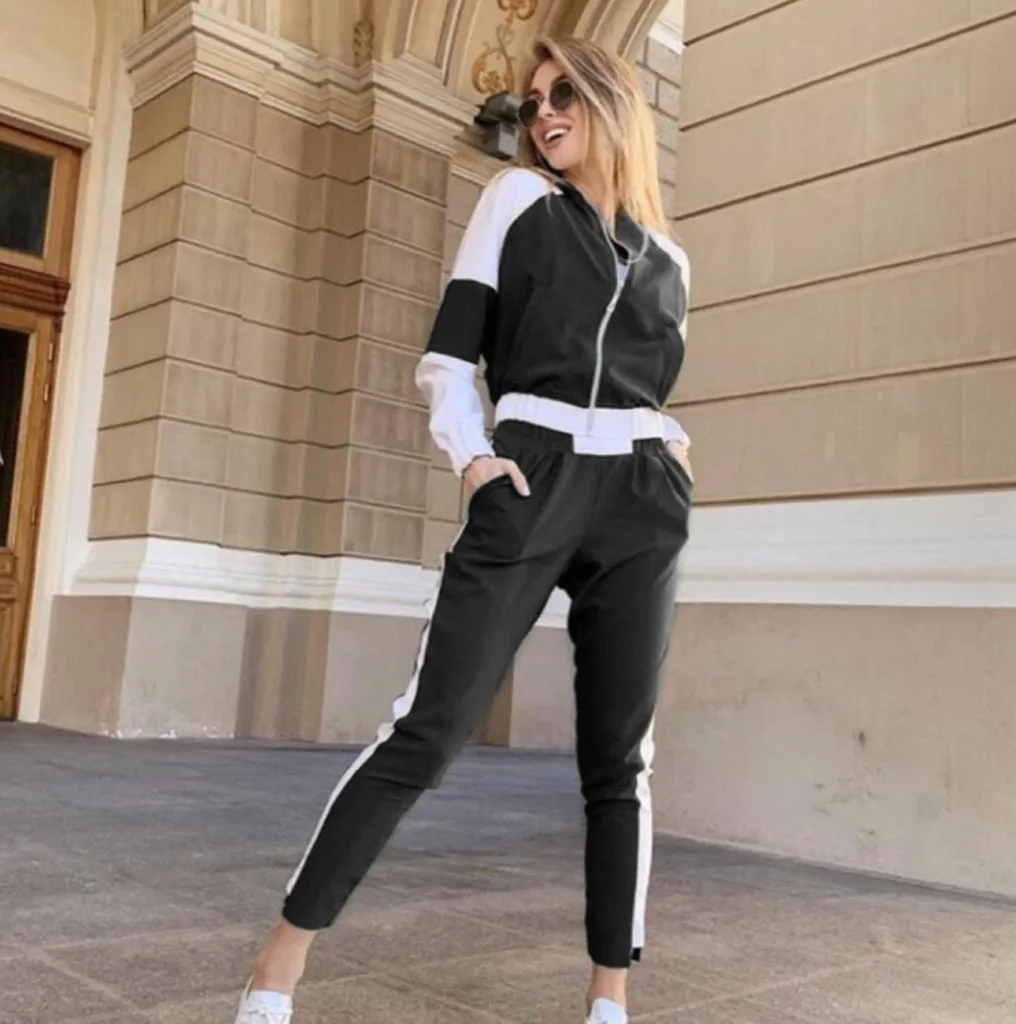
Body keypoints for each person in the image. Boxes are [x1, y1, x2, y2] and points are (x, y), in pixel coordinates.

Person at [234, 34, 693, 1024]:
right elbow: (450, 355)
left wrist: (672, 457)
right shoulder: (518, 201)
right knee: (428, 730)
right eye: (533, 103)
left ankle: (609, 998)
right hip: (532, 472)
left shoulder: (671, 261)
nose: (544, 115)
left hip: (641, 501)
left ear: (613, 103)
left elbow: (652, 385)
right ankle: (277, 967)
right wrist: (474, 459)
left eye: (564, 95)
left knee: (621, 761)